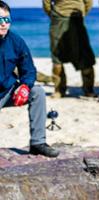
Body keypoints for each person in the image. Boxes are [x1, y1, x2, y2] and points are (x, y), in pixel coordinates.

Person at [0, 2, 59, 158]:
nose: (3, 24)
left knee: (37, 92)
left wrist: (25, 86)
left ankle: (38, 144)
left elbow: (29, 70)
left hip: (6, 92)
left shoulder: (16, 41)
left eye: (6, 19)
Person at [43, 0, 96, 98]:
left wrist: (81, 13)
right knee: (57, 56)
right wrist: (55, 15)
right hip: (59, 19)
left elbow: (88, 2)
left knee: (85, 55)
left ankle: (89, 89)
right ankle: (59, 90)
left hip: (76, 19)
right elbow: (46, 3)